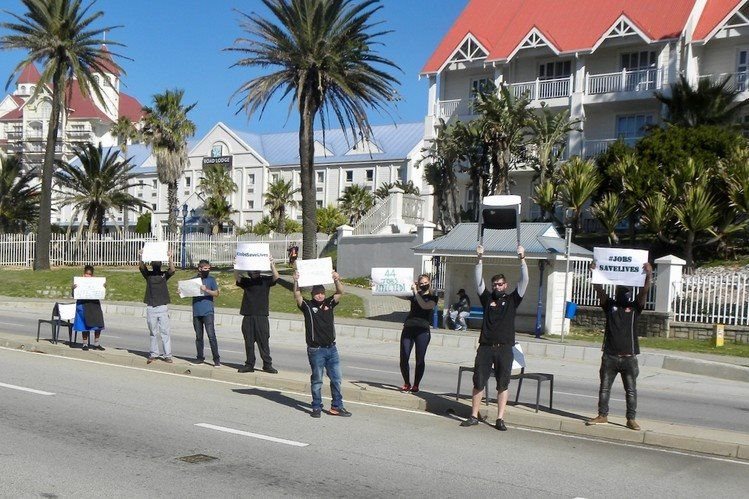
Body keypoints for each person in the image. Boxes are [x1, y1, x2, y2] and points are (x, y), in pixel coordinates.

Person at [461, 244, 528, 431]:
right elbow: (478, 281)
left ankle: (500, 418)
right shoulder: (487, 298)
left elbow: (525, 280)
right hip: (485, 347)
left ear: (505, 285)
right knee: (479, 381)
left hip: (505, 348)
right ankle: (473, 415)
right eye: (495, 285)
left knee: (502, 384)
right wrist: (479, 258)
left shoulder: (513, 300)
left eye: (500, 284)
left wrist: (522, 259)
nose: (497, 287)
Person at [586, 261, 653, 431]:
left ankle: (631, 419)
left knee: (630, 390)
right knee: (604, 388)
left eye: (627, 291)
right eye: (621, 290)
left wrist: (649, 274)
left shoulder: (635, 307)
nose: (624, 293)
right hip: (610, 356)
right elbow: (599, 290)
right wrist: (594, 273)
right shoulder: (610, 306)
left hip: (629, 357)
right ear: (616, 292)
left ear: (631, 294)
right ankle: (602, 415)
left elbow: (645, 291)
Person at [294, 270, 352, 418]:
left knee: (336, 379)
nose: (320, 295)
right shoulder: (307, 306)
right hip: (316, 350)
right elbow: (297, 295)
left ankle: (336, 407)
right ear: (312, 293)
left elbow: (340, 292)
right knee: (317, 380)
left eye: (322, 292)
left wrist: (336, 279)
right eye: (317, 293)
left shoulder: (330, 303)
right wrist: (296, 281)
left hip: (332, 349)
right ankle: (316, 406)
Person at [235, 256, 279, 374]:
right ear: (249, 271)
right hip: (248, 315)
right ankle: (249, 364)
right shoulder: (246, 281)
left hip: (261, 316)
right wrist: (237, 266)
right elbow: (238, 279)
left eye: (257, 270)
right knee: (248, 342)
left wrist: (271, 264)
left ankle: (267, 365)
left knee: (263, 341)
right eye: (253, 270)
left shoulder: (265, 280)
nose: (255, 272)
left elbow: (276, 277)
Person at [398, 274, 438, 393]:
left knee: (420, 359)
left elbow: (424, 306)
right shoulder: (414, 294)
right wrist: (379, 287)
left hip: (422, 330)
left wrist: (416, 292)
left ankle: (416, 384)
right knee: (404, 356)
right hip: (409, 328)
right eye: (421, 283)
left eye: (426, 282)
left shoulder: (433, 297)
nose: (423, 285)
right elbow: (399, 294)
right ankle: (407, 382)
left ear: (429, 282)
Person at [139, 249, 176, 364]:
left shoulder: (164, 275)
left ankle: (167, 355)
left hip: (162, 307)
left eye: (157, 263)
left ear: (160, 265)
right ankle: (154, 353)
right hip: (151, 306)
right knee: (153, 332)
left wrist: (170, 257)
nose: (155, 265)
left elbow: (172, 270)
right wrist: (141, 256)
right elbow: (141, 267)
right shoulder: (148, 275)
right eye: (154, 263)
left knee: (165, 332)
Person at [192, 259, 221, 367]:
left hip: (208, 312)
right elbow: (188, 290)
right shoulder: (194, 280)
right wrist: (182, 291)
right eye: (205, 268)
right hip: (197, 312)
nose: (207, 270)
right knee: (199, 336)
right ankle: (200, 358)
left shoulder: (211, 279)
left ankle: (216, 359)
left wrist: (207, 290)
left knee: (211, 336)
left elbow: (216, 293)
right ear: (200, 268)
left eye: (208, 269)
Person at [72, 265, 105, 351]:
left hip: (94, 304)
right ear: (84, 274)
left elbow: (100, 292)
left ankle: (96, 343)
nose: (88, 275)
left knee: (99, 323)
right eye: (86, 274)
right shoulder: (79, 282)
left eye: (89, 274)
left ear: (92, 276)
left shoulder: (96, 282)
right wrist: (73, 289)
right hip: (83, 304)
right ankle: (85, 343)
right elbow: (74, 295)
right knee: (84, 323)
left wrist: (103, 287)